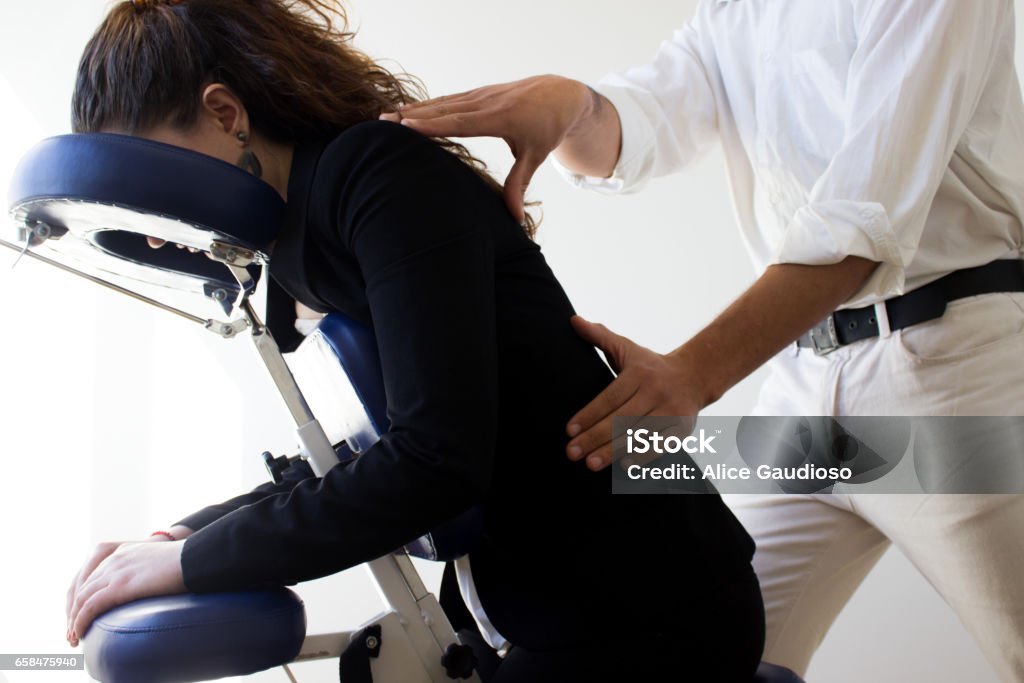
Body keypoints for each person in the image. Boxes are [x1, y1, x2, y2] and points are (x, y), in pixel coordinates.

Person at [62, 1, 765, 680]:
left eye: (152, 183)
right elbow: (359, 453)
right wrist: (181, 539)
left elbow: (434, 459)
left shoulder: (375, 176)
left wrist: (194, 562)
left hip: (649, 603)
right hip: (534, 609)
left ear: (225, 113)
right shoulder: (293, 252)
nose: (153, 231)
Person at [391, 1, 1024, 680]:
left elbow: (859, 225)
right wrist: (572, 106)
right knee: (699, 646)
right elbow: (643, 122)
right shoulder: (738, 9)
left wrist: (692, 372)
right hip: (806, 386)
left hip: (952, 370)